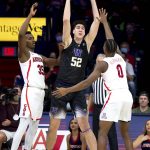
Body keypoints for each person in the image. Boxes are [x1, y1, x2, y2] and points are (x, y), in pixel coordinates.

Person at [53, 8, 133, 150]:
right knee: (125, 134)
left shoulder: (102, 64)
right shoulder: (120, 57)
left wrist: (68, 90)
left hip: (114, 97)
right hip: (128, 96)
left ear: (105, 50)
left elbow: (86, 82)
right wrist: (105, 22)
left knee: (102, 132)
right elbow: (111, 40)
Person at [46, 0, 100, 149]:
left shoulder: (87, 43)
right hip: (60, 89)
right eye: (78, 27)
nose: (81, 29)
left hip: (77, 90)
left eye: (83, 27)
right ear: (73, 31)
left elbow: (96, 21)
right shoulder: (68, 41)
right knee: (53, 126)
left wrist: (93, 1)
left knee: (85, 126)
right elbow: (65, 20)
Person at [10, 3, 60, 150]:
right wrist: (30, 16)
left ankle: (27, 148)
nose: (33, 39)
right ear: (24, 42)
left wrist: (61, 51)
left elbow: (56, 62)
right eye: (30, 38)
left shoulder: (38, 56)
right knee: (24, 123)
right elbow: (20, 34)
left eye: (33, 38)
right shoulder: (23, 54)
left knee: (34, 124)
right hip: (30, 91)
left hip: (40, 92)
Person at [87, 54, 118, 150]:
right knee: (95, 132)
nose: (99, 63)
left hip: (108, 107)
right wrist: (87, 110)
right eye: (98, 61)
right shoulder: (92, 76)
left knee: (111, 134)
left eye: (102, 61)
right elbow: (92, 94)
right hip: (96, 108)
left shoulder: (111, 75)